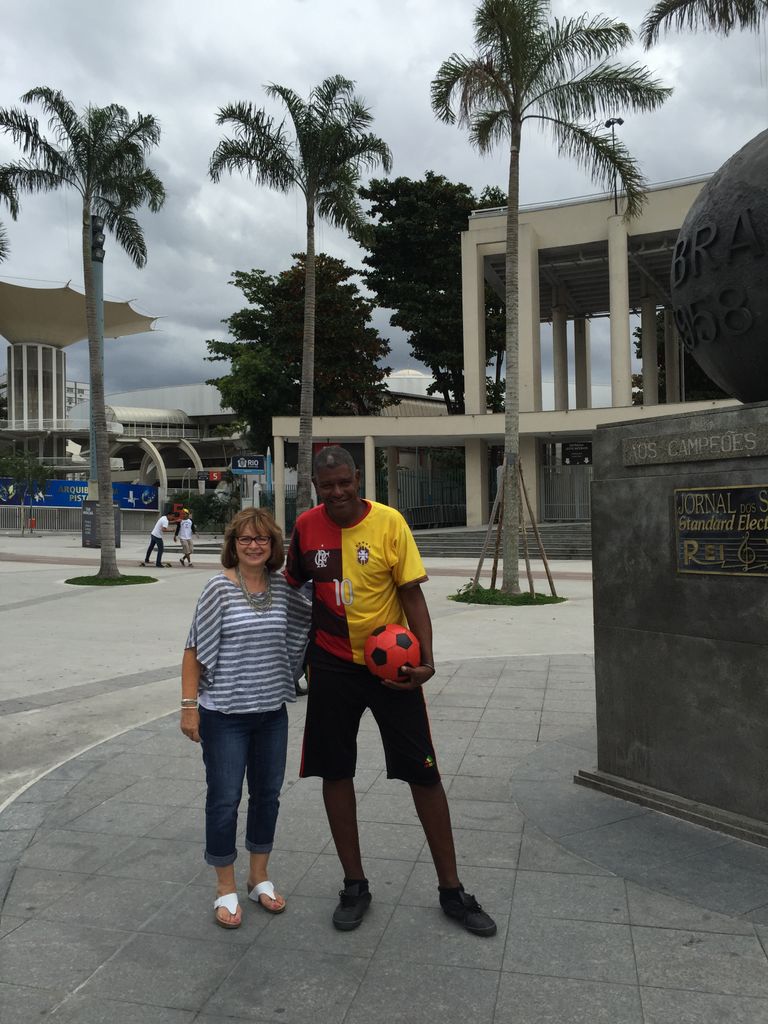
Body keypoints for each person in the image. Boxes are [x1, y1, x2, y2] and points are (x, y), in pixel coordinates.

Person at [285, 445, 496, 937]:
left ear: (358, 478)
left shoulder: (389, 523)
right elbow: (289, 586)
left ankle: (452, 890)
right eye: (327, 484)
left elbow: (411, 594)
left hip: (392, 668)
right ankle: (354, 885)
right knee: (335, 773)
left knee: (424, 774)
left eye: (345, 482)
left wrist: (425, 658)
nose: (337, 492)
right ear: (316, 485)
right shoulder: (306, 528)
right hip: (332, 668)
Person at [180, 508, 310, 929]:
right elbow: (193, 650)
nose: (254, 546)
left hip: (271, 712)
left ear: (273, 546)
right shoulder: (218, 588)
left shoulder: (284, 589)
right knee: (224, 800)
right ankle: (225, 887)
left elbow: (311, 620)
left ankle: (258, 877)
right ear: (232, 545)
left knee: (267, 796)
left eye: (262, 540)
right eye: (245, 540)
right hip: (225, 715)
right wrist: (189, 707)